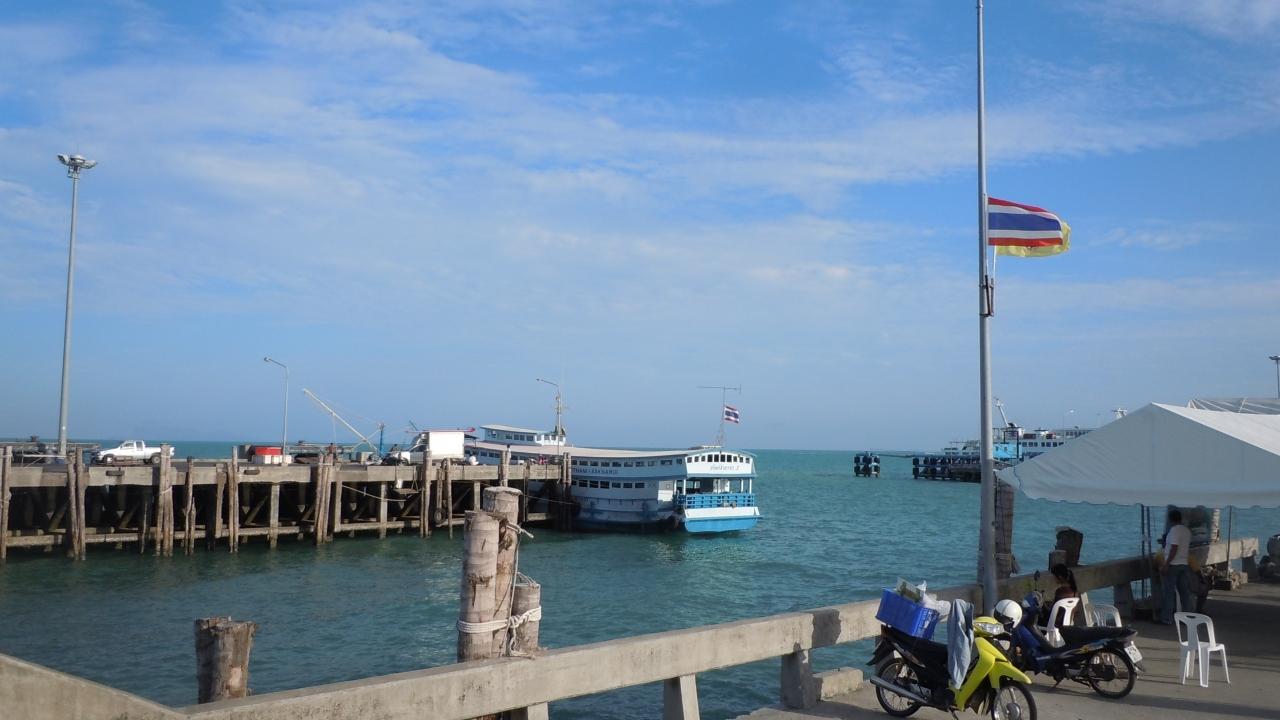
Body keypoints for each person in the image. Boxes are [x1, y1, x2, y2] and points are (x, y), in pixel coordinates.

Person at [1159, 508, 1195, 624]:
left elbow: (1174, 548)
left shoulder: (1174, 530)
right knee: (1184, 593)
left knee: (1168, 593)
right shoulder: (1187, 531)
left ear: (1170, 519)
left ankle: (1167, 618)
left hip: (1173, 565)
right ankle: (1188, 618)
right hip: (1184, 563)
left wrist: (1166, 564)